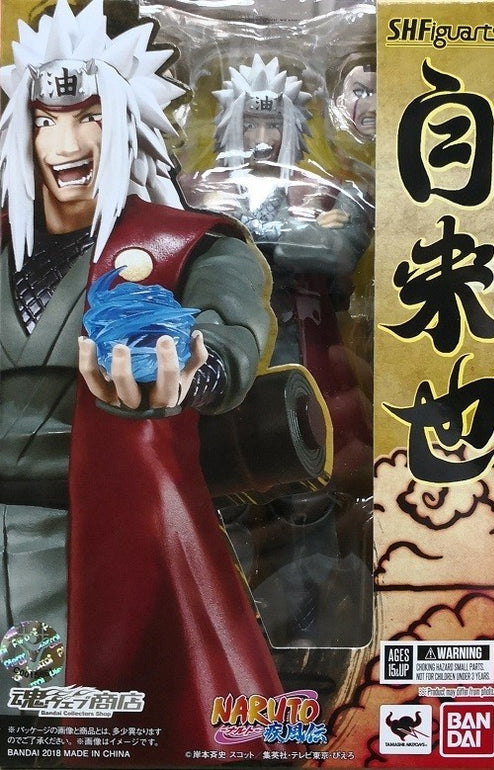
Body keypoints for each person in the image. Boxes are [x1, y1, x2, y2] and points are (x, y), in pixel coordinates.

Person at [0, 0, 282, 763]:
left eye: (89, 117)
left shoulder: (190, 248)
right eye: (45, 120)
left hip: (102, 548)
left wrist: (197, 373)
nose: (65, 143)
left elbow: (227, 328)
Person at [180, 54, 373, 648]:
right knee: (223, 509)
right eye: (252, 124)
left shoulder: (325, 190)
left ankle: (309, 646)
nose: (262, 137)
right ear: (230, 128)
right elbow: (185, 253)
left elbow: (337, 250)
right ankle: (228, 648)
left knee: (309, 507)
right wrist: (279, 234)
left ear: (292, 128)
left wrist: (252, 233)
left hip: (308, 370)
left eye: (273, 124)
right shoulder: (196, 192)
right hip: (220, 378)